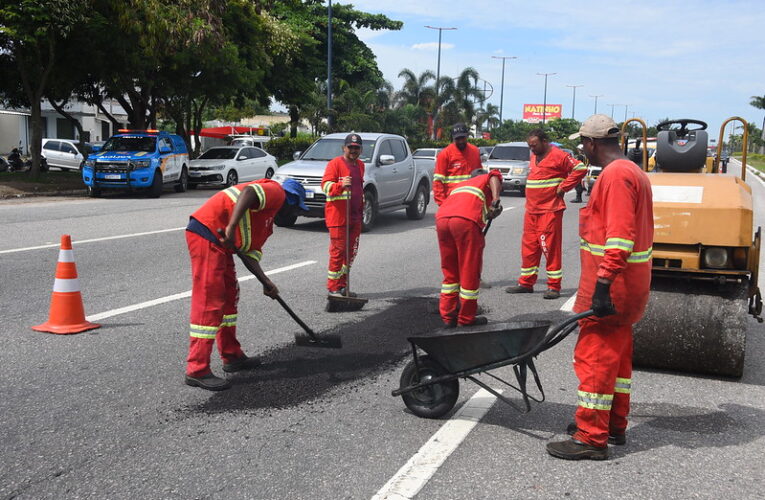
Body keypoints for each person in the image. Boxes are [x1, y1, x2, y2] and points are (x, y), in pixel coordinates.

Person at [546, 114, 653, 460]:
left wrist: (603, 285)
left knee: (594, 358)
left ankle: (591, 436)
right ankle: (614, 425)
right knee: (617, 360)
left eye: (583, 144)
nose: (582, 150)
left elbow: (619, 238)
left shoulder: (617, 175)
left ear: (592, 144)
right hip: (630, 286)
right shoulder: (634, 171)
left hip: (613, 285)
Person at [184, 177, 308, 391]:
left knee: (230, 297)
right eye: (295, 209)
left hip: (222, 244)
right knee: (210, 300)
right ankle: (197, 368)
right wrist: (231, 227)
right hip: (208, 232)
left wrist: (265, 281)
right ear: (290, 200)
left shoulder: (266, 224)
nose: (294, 214)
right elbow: (249, 192)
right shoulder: (277, 193)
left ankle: (232, 356)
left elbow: (250, 255)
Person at [506, 129, 587, 299]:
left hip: (549, 210)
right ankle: (526, 283)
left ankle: (554, 286)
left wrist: (564, 186)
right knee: (529, 248)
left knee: (549, 249)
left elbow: (580, 169)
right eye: (530, 146)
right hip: (532, 210)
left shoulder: (559, 155)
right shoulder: (534, 156)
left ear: (544, 141)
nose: (532, 149)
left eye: (534, 145)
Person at [436, 168, 503, 327]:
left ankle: (448, 316)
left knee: (451, 272)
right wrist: (495, 199)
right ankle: (466, 319)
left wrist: (491, 212)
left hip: (442, 220)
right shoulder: (484, 179)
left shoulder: (460, 186)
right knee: (469, 272)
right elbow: (494, 175)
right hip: (464, 222)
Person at [322, 133, 365, 297]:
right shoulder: (335, 164)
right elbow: (325, 186)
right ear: (344, 148)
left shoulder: (360, 165)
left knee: (350, 253)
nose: (353, 150)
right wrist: (340, 185)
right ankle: (333, 288)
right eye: (350, 147)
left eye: (356, 148)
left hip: (355, 217)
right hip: (339, 218)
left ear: (360, 149)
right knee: (338, 253)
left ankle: (342, 285)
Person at [433, 123, 483, 206]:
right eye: (457, 139)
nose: (461, 141)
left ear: (467, 136)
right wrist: (442, 203)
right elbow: (438, 182)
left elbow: (480, 177)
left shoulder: (475, 151)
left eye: (463, 138)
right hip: (452, 200)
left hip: (471, 199)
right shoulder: (445, 154)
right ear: (453, 138)